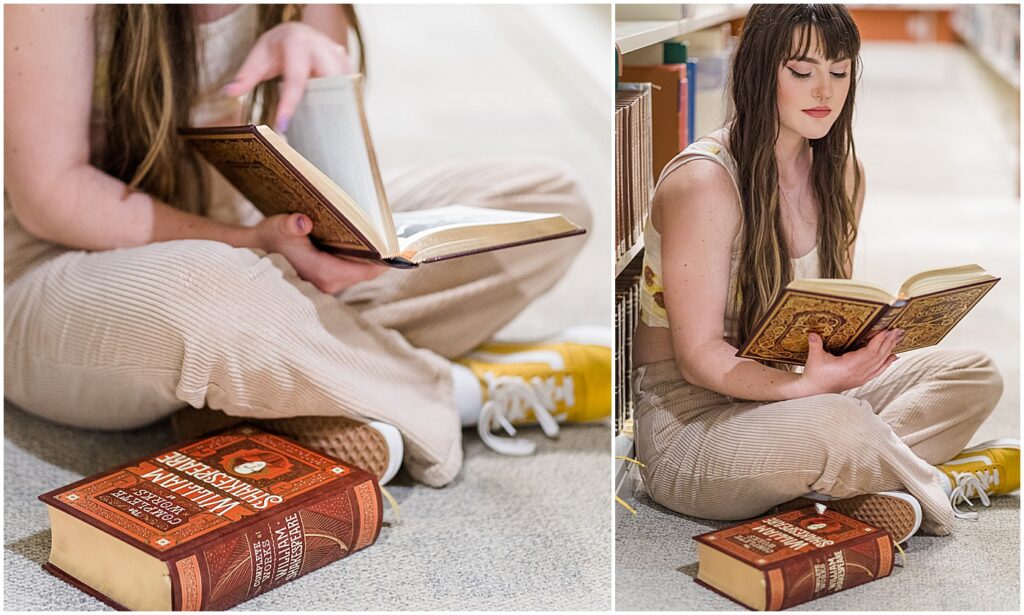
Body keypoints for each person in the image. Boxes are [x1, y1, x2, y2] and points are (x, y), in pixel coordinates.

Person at [4, 4, 610, 488]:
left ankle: (266, 386)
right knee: (213, 292)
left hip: (246, 243)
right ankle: (453, 392)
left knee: (545, 203)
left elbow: (331, 191)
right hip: (58, 272)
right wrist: (249, 244)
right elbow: (50, 193)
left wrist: (321, 72)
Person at [630, 4, 1017, 543]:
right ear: (760, 70)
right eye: (801, 71)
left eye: (839, 72)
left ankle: (838, 485)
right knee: (841, 427)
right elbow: (698, 360)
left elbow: (833, 318)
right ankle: (922, 484)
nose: (824, 92)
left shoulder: (844, 176)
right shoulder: (705, 181)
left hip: (803, 396)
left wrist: (864, 348)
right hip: (695, 423)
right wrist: (810, 389)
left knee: (975, 373)